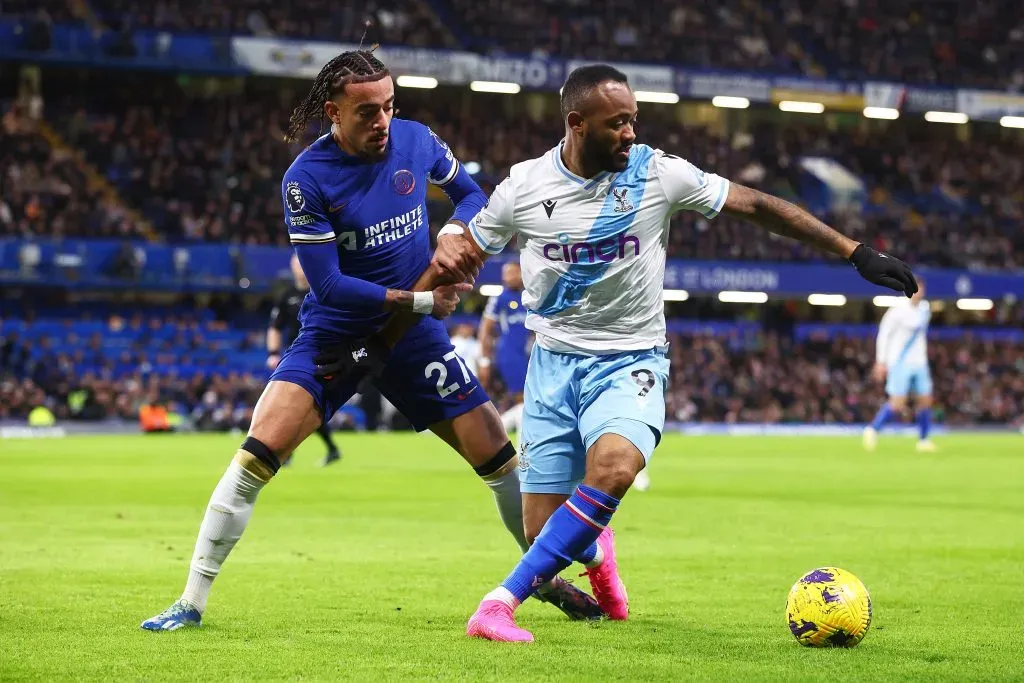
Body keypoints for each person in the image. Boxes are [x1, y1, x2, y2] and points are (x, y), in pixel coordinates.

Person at [432, 64, 919, 642]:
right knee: (545, 537)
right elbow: (462, 256)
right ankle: (598, 556)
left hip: (630, 360)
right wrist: (422, 282)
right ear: (576, 124)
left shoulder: (658, 174)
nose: (631, 133)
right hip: (552, 365)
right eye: (618, 123)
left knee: (614, 469)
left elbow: (757, 206)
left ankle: (498, 603)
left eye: (634, 119)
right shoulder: (524, 188)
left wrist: (852, 251)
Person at [141, 49, 599, 632]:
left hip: (414, 339)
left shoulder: (416, 140)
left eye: (388, 106)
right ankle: (190, 602)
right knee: (257, 455)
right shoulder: (305, 179)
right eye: (366, 111)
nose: (382, 119)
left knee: (502, 463)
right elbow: (329, 284)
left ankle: (546, 583)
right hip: (336, 334)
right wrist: (418, 300)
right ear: (333, 111)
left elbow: (473, 195)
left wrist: (456, 230)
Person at [267, 253, 341, 466]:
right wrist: (273, 353)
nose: (299, 266)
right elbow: (275, 327)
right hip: (295, 356)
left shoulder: (325, 288)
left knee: (306, 405)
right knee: (297, 405)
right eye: (295, 262)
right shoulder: (287, 295)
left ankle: (289, 452)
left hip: (322, 355)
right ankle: (320, 450)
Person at [863, 278, 935, 452]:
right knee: (897, 404)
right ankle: (873, 429)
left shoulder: (925, 310)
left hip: (920, 362)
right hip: (900, 362)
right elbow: (884, 334)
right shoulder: (897, 310)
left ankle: (923, 440)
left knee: (925, 400)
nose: (919, 293)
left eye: (921, 289)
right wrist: (881, 361)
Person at [477, 262, 530, 436]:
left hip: (532, 353)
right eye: (506, 273)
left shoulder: (531, 296)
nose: (510, 276)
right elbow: (486, 328)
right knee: (522, 397)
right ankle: (501, 432)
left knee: (529, 399)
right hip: (510, 354)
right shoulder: (499, 298)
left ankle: (494, 429)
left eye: (514, 272)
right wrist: (485, 360)